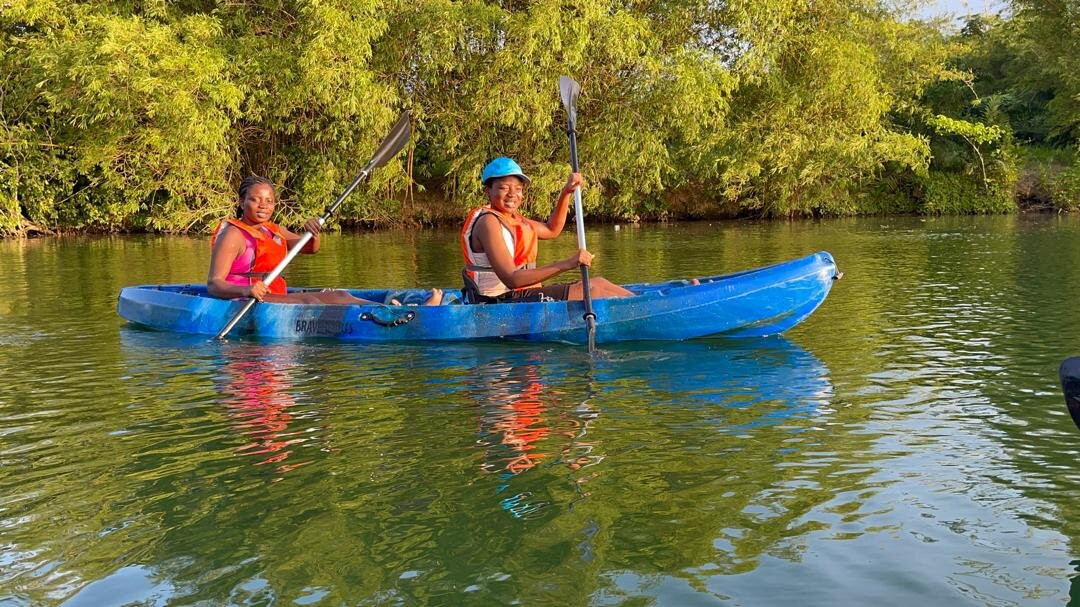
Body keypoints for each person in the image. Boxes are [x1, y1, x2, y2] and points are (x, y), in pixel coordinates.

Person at [209, 175, 442, 305]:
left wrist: (313, 233)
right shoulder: (233, 234)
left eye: (269, 201)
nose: (263, 205)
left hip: (271, 296)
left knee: (339, 295)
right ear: (242, 202)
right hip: (244, 300)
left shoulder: (274, 230)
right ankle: (402, 313)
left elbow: (309, 249)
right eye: (255, 199)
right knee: (312, 300)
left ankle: (397, 312)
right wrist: (249, 290)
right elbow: (214, 284)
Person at [460, 157, 634, 303]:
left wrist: (567, 192)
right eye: (504, 188)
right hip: (496, 301)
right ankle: (642, 311)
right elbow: (512, 279)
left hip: (519, 294)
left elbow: (552, 229)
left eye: (518, 189)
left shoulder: (514, 220)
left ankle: (645, 305)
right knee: (593, 292)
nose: (512, 194)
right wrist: (568, 263)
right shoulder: (487, 222)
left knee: (598, 282)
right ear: (488, 191)